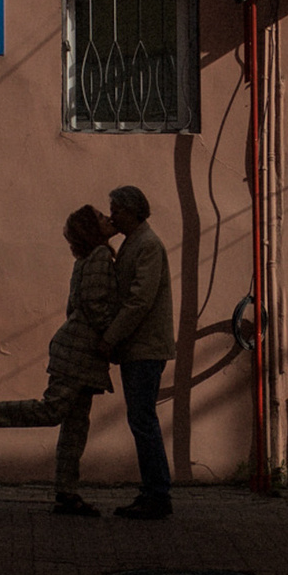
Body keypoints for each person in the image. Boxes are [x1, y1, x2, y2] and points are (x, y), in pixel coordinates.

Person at [0, 206, 119, 516]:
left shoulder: (86, 260)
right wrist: (115, 334)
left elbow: (74, 307)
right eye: (99, 217)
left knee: (75, 426)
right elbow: (95, 307)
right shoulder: (99, 259)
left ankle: (67, 493)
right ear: (91, 230)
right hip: (80, 352)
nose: (108, 217)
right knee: (53, 411)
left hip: (78, 350)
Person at [99, 183, 176, 520]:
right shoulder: (136, 243)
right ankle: (153, 491)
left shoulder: (147, 246)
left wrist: (110, 338)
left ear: (131, 211)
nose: (112, 216)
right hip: (137, 347)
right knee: (141, 419)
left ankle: (157, 494)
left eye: (116, 210)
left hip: (144, 348)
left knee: (143, 420)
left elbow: (138, 301)